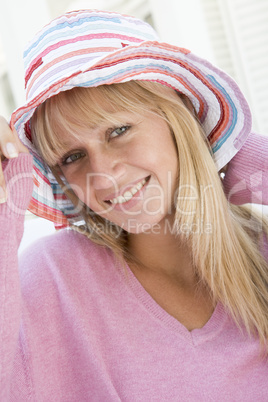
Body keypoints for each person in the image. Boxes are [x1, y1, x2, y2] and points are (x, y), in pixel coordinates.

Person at [0, 9, 267, 401]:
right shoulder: (52, 280)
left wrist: (246, 161)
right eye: (72, 157)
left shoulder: (261, 254)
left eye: (118, 131)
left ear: (179, 117)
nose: (103, 175)